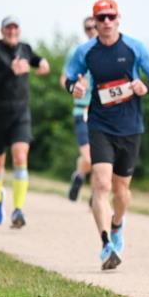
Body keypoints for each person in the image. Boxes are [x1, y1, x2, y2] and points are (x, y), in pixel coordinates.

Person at [64, 0, 149, 270]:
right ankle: (106, 243)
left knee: (121, 191)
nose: (106, 22)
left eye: (110, 17)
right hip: (99, 125)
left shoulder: (134, 47)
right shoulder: (85, 52)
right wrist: (74, 87)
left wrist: (145, 86)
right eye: (101, 18)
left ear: (118, 18)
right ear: (94, 23)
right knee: (101, 184)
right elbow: (70, 78)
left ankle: (117, 224)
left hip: (130, 127)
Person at [0, 16, 50, 228]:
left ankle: (18, 210)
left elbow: (37, 59)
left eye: (15, 28)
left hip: (20, 113)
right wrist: (9, 71)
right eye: (8, 28)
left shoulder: (25, 48)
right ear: (3, 30)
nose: (12, 31)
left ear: (19, 30)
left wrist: (42, 63)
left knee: (21, 156)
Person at [61, 17, 98, 201]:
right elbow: (64, 79)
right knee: (90, 158)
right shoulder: (78, 53)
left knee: (102, 157)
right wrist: (74, 87)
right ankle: (79, 175)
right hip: (82, 110)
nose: (91, 30)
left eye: (94, 26)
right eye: (87, 28)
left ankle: (95, 195)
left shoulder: (112, 54)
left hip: (104, 112)